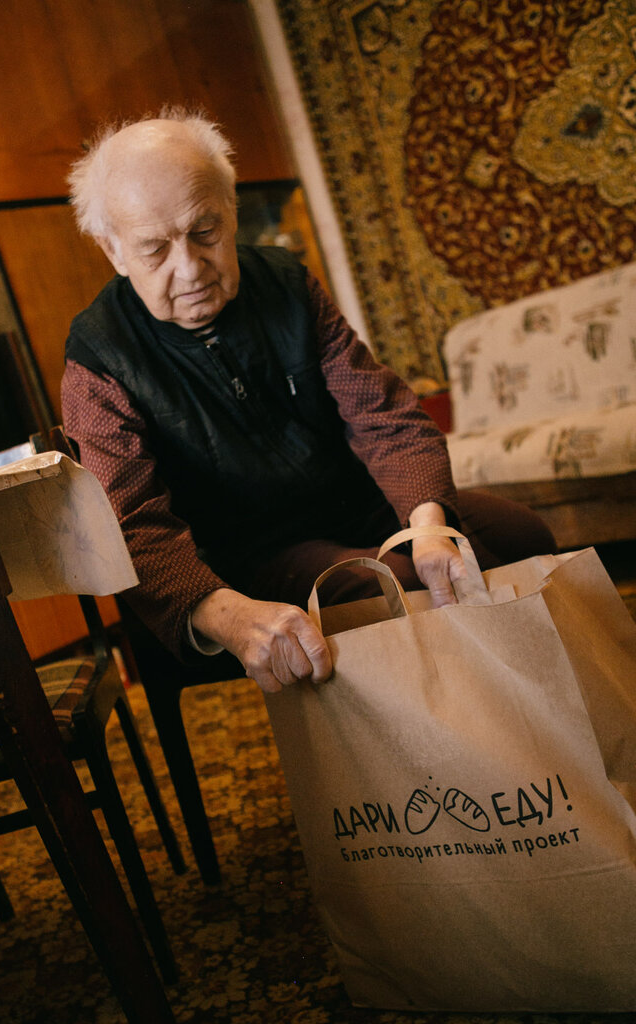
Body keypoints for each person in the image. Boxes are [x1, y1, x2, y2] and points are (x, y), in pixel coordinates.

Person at [62, 108, 556, 693]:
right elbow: (131, 526)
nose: (189, 268)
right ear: (113, 250)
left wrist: (427, 525)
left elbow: (384, 415)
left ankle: (552, 706)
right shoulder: (98, 358)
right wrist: (224, 612)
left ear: (231, 210)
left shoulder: (288, 285)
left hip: (357, 504)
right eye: (154, 249)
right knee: (392, 589)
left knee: (522, 538)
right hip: (250, 555)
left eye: (205, 231)